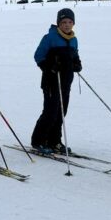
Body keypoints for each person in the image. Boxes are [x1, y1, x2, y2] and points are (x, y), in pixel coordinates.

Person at [30, 8, 81, 154]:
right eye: (64, 22)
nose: (67, 25)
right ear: (58, 23)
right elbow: (38, 56)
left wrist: (77, 64)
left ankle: (54, 141)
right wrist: (50, 66)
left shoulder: (73, 39)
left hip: (66, 82)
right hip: (51, 81)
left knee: (61, 112)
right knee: (50, 112)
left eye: (70, 22)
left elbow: (75, 55)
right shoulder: (50, 38)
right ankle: (39, 140)